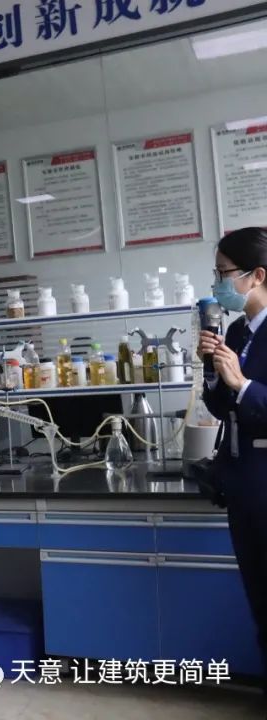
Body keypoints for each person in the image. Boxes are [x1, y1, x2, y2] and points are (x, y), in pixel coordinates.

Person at [199, 226, 267, 686]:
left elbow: (245, 394)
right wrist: (212, 369)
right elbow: (223, 408)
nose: (217, 284)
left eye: (224, 273)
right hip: (243, 482)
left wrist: (242, 384)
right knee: (259, 599)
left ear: (256, 275)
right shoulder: (239, 329)